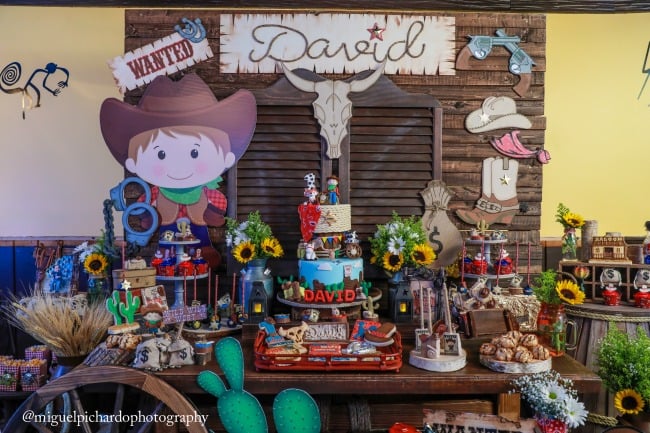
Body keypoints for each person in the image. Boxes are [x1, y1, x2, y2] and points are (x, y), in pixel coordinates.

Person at [100, 74, 257, 267]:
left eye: (194, 152)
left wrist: (214, 214)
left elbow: (217, 208)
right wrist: (147, 219)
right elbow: (145, 211)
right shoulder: (154, 193)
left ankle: (203, 252)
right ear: (133, 163)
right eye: (161, 154)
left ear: (227, 157)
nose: (179, 166)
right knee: (166, 248)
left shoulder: (207, 193)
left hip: (199, 235)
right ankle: (166, 258)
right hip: (166, 236)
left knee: (201, 240)